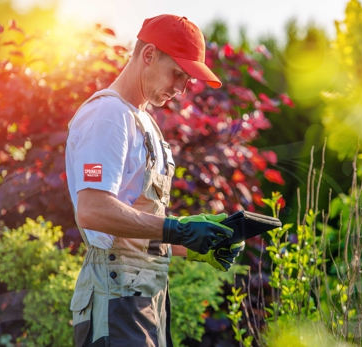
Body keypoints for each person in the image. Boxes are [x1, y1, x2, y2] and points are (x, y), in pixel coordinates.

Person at [65, 14, 244, 347]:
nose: (181, 89)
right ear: (148, 55)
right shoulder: (108, 116)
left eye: (188, 80)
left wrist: (194, 246)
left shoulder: (144, 122)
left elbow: (136, 236)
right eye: (177, 73)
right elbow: (92, 210)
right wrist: (178, 228)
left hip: (144, 299)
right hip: (114, 299)